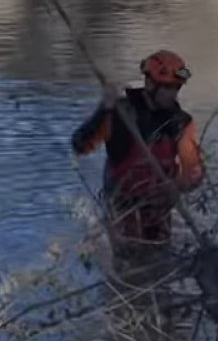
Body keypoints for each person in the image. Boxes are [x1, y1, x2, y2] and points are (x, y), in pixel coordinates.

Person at [71, 49, 205, 259]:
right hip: (122, 212)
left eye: (177, 88)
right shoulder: (119, 114)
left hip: (159, 213)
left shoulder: (180, 122)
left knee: (161, 268)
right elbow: (80, 146)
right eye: (168, 88)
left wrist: (178, 185)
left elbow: (194, 171)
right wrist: (103, 110)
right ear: (150, 84)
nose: (173, 93)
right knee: (129, 269)